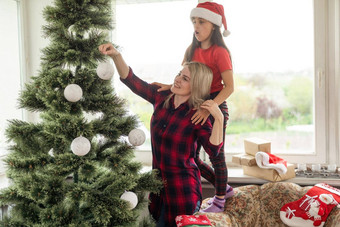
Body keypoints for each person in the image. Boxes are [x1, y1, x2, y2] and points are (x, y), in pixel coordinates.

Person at [99, 43, 224, 227]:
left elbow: (214, 151)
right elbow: (132, 80)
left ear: (196, 85)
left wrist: (218, 118)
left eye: (185, 78)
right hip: (158, 192)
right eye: (179, 74)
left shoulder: (197, 115)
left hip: (183, 194)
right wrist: (116, 56)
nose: (178, 79)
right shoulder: (161, 98)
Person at [153, 2, 234, 213]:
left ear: (214, 26)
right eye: (194, 22)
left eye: (201, 22)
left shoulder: (220, 52)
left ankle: (219, 199)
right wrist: (171, 87)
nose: (196, 26)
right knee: (192, 157)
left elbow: (230, 87)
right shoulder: (192, 49)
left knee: (216, 155)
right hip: (195, 101)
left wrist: (210, 108)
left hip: (214, 101)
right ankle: (223, 185)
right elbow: (185, 74)